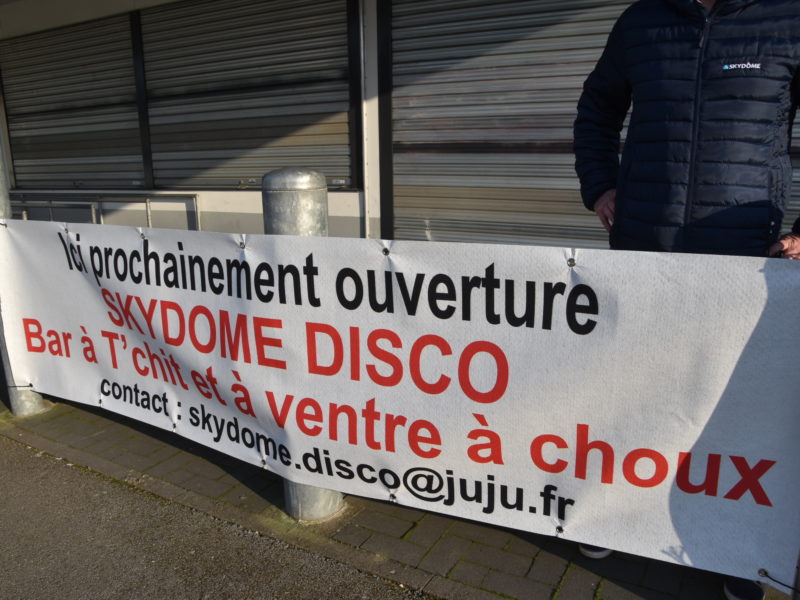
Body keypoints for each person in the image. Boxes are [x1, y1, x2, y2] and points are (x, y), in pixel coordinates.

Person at [572, 0, 800, 598]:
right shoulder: (641, 21)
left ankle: (735, 550)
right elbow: (597, 108)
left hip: (742, 256)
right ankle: (610, 517)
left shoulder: (788, 19)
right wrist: (600, 185)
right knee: (631, 394)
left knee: (730, 411)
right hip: (643, 250)